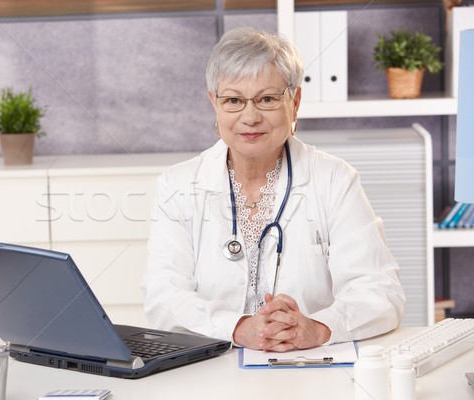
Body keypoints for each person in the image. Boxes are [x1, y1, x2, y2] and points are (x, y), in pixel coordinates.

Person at [142, 27, 405, 352]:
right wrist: (239, 329)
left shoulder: (335, 179)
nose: (250, 117)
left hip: (309, 367)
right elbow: (164, 299)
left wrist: (319, 328)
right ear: (215, 103)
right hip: (209, 372)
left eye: (267, 98)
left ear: (294, 102)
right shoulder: (177, 185)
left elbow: (380, 291)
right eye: (234, 100)